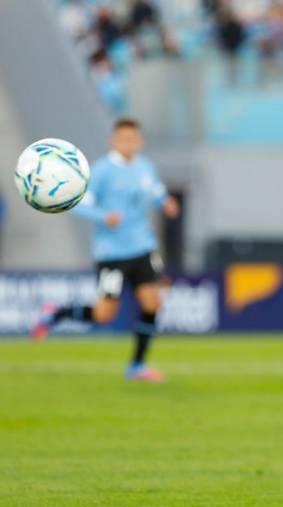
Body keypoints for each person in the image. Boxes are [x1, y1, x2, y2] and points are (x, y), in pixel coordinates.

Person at [32, 118, 179, 382]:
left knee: (153, 302)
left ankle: (136, 366)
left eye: (133, 139)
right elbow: (77, 204)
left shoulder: (145, 168)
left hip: (143, 247)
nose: (129, 144)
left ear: (140, 142)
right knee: (104, 313)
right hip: (111, 252)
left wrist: (166, 202)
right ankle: (57, 314)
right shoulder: (100, 171)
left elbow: (156, 192)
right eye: (123, 139)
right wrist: (104, 216)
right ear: (113, 141)